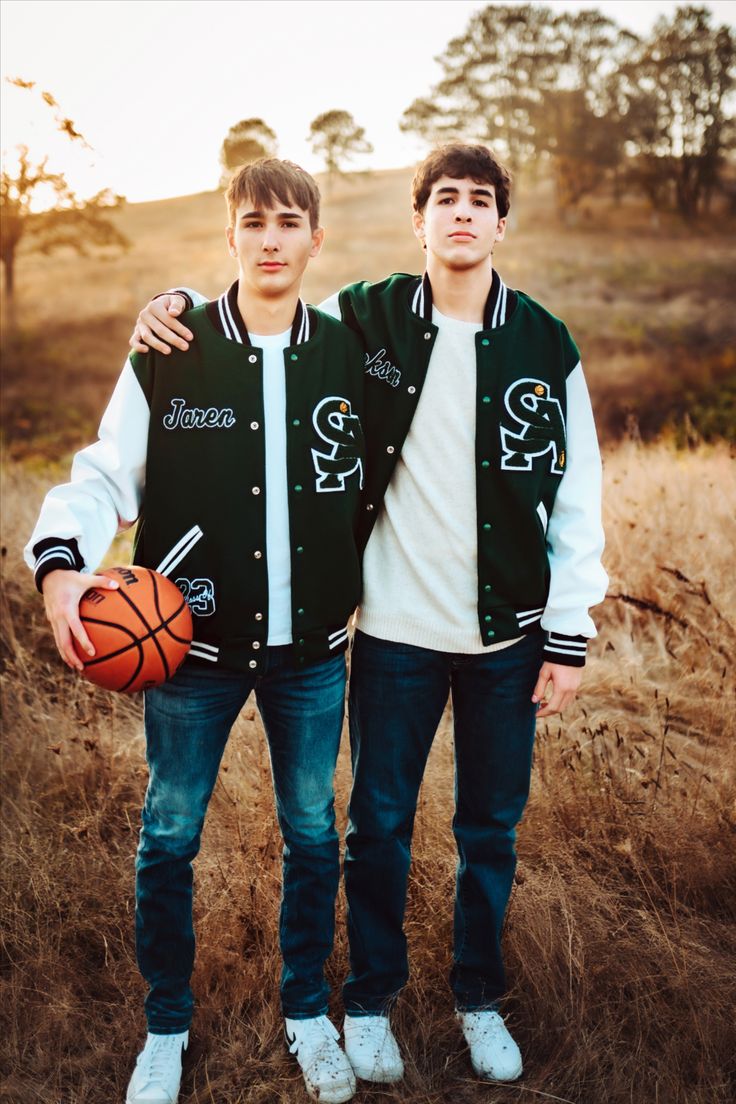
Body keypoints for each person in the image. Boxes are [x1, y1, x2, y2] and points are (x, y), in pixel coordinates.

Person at [131, 143, 608, 1086]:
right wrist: (172, 303)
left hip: (507, 638)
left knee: (490, 832)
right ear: (419, 219)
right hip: (392, 633)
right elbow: (268, 302)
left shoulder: (545, 342)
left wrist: (570, 630)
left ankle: (477, 996)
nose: (463, 215)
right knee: (375, 825)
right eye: (445, 200)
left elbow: (579, 492)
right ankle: (369, 1000)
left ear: (501, 224)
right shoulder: (369, 318)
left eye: (481, 202)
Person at [26, 159, 369, 1104]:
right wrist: (60, 563)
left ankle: (308, 1012)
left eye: (289, 222)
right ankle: (165, 1027)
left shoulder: (345, 351)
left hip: (311, 654)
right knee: (170, 835)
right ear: (230, 234)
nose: (270, 238)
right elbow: (103, 474)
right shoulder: (169, 348)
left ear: (314, 239)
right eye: (253, 221)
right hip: (190, 653)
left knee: (311, 833)